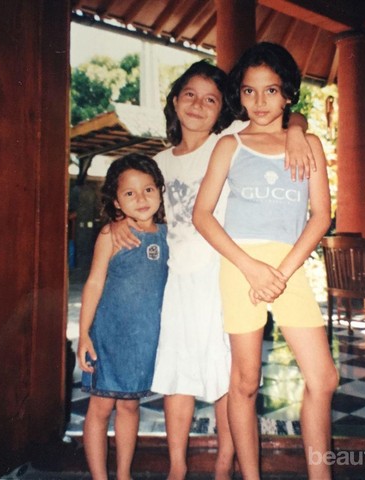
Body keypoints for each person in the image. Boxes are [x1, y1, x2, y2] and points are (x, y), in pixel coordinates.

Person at [111, 60, 314, 480]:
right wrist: (117, 222)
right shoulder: (157, 163)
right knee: (177, 374)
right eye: (190, 95)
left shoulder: (228, 141)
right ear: (174, 101)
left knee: (228, 376)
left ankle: (224, 465)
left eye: (210, 99)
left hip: (222, 272)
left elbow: (282, 114)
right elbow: (132, 200)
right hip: (175, 281)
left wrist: (296, 129)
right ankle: (178, 467)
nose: (198, 105)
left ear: (223, 108)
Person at [192, 42, 339, 480]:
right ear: (239, 94)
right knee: (245, 381)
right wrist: (251, 268)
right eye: (249, 91)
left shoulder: (307, 143)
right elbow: (202, 215)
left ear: (288, 93)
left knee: (324, 378)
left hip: (289, 267)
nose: (259, 101)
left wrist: (282, 272)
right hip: (241, 268)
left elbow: (321, 216)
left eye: (271, 90)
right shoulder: (230, 145)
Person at [77, 153, 169, 480]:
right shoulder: (111, 235)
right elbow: (94, 283)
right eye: (130, 193)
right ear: (116, 202)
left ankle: (124, 474)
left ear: (160, 192)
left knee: (130, 405)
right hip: (108, 337)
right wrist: (83, 334)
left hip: (142, 340)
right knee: (101, 407)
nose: (141, 199)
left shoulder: (167, 235)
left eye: (148, 189)